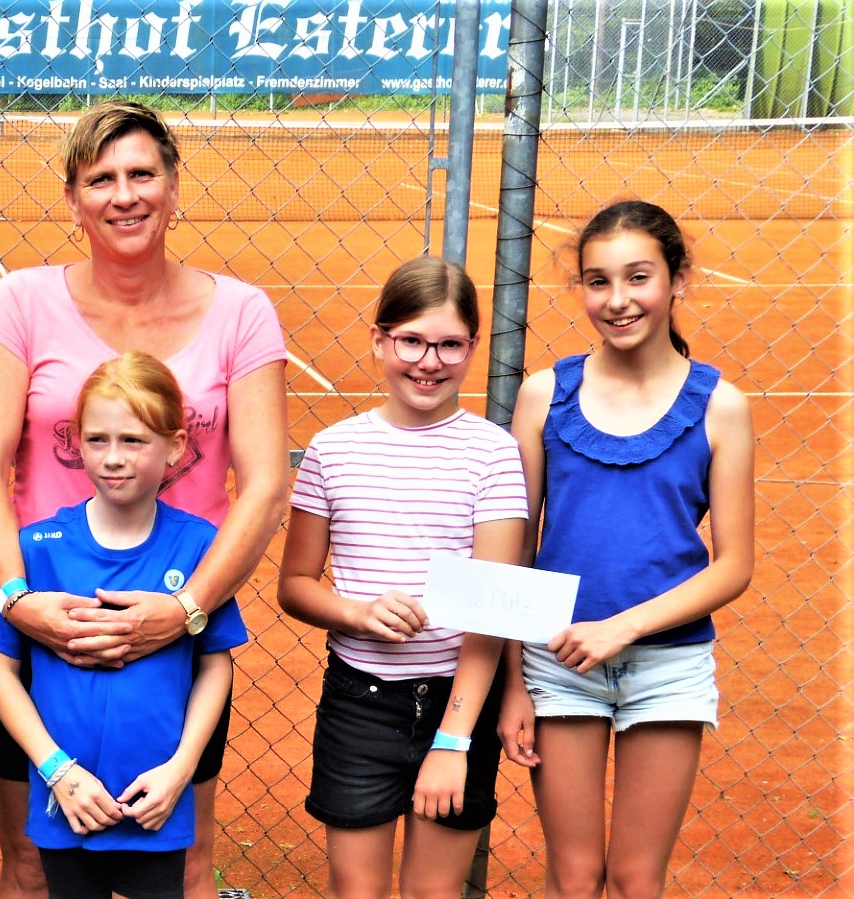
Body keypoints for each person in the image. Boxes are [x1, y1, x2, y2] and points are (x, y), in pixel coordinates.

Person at [0, 99, 288, 899]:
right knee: (32, 862)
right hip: (44, 623)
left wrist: (186, 610)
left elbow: (266, 484)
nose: (124, 194)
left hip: (178, 625)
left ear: (174, 188)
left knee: (183, 862)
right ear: (73, 200)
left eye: (142, 174)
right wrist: (20, 602)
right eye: (100, 179)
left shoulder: (242, 312)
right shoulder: (20, 302)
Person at [507, 200, 754, 899]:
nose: (617, 300)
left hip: (669, 667)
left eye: (638, 277)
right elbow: (513, 551)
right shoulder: (544, 395)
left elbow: (735, 564)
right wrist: (514, 684)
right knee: (573, 877)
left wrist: (623, 626)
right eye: (598, 281)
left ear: (678, 280)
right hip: (560, 664)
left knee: (637, 879)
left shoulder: (722, 407)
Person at [276, 257, 527, 899]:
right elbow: (296, 584)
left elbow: (491, 612)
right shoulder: (332, 450)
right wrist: (356, 613)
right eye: (411, 341)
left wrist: (453, 740)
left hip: (459, 701)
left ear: (473, 346)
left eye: (450, 345)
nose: (429, 362)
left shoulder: (493, 453)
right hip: (359, 702)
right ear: (379, 340)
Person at [0, 353, 246, 899]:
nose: (113, 458)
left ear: (175, 446)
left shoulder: (199, 547)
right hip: (68, 797)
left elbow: (216, 666)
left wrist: (180, 771)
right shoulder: (38, 546)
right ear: (76, 442)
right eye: (97, 440)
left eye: (134, 440)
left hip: (157, 799)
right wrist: (57, 771)